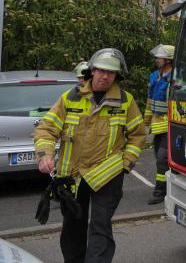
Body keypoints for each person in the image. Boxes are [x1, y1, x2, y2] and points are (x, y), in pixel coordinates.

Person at [34, 48, 146, 263]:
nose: (105, 76)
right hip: (73, 176)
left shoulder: (125, 101)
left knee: (100, 225)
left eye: (111, 72)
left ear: (117, 75)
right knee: (73, 228)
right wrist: (45, 155)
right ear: (92, 71)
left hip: (108, 175)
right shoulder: (71, 98)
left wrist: (126, 163)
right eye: (101, 71)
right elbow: (46, 129)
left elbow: (138, 135)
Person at [145, 44, 174, 204]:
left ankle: (159, 192)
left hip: (170, 125)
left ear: (169, 59)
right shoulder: (154, 76)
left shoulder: (176, 77)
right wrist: (146, 121)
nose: (156, 60)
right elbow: (150, 101)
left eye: (159, 57)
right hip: (157, 125)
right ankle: (170, 187)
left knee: (162, 159)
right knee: (160, 158)